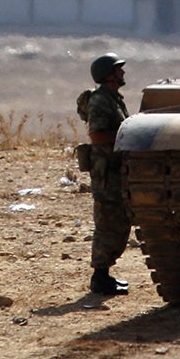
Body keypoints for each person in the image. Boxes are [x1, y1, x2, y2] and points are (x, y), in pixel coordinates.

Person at [76, 53, 131, 298]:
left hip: (115, 170)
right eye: (118, 69)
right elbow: (97, 136)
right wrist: (127, 136)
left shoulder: (113, 99)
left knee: (118, 222)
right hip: (106, 172)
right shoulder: (100, 101)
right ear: (108, 74)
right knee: (108, 223)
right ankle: (99, 278)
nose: (123, 73)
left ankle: (104, 276)